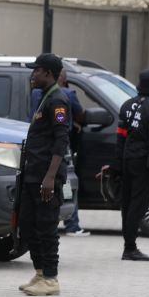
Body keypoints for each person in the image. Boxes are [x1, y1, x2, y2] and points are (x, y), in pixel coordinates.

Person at [17, 53, 70, 296]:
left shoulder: (58, 100)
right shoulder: (43, 98)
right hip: (32, 174)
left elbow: (61, 142)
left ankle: (51, 279)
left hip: (45, 177)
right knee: (29, 226)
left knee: (47, 227)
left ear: (48, 73)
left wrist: (50, 177)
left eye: (36, 70)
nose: (32, 74)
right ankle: (39, 273)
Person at [106, 69, 149, 262]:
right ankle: (130, 248)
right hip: (143, 164)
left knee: (127, 204)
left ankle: (128, 245)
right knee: (138, 207)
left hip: (126, 161)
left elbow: (120, 138)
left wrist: (116, 166)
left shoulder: (126, 105)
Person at [30, 69, 88, 237]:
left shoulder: (36, 94)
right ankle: (72, 222)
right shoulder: (67, 94)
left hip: (38, 149)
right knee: (68, 183)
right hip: (61, 148)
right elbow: (81, 115)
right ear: (62, 79)